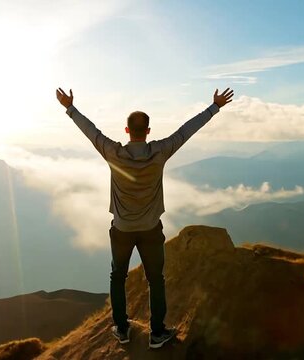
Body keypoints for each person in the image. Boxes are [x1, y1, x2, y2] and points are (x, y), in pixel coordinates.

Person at [55, 87, 234, 348]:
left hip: (122, 230)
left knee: (118, 276)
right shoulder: (159, 152)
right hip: (150, 229)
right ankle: (157, 332)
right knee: (156, 280)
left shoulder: (113, 152)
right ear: (148, 131)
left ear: (127, 131)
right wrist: (214, 106)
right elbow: (186, 131)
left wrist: (70, 108)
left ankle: (122, 329)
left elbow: (91, 132)